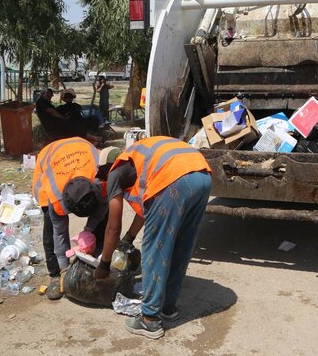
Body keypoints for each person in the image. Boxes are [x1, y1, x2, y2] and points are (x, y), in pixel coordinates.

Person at [94, 136, 212, 340]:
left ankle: (149, 319)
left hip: (174, 178)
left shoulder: (114, 173)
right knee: (181, 243)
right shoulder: (139, 159)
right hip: (202, 173)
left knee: (154, 247)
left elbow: (113, 227)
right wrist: (128, 239)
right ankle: (168, 307)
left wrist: (104, 264)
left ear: (106, 168)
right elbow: (145, 208)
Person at [32, 140, 144, 300]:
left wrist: (88, 231)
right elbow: (60, 233)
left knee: (105, 218)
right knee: (50, 225)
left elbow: (102, 210)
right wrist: (65, 269)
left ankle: (99, 257)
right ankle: (56, 274)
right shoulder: (56, 197)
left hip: (82, 149)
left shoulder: (101, 180)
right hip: (50, 157)